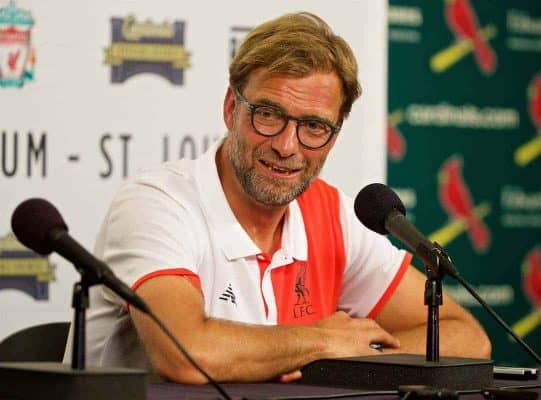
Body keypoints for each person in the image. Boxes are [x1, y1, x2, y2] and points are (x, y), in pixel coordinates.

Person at [65, 11, 490, 384]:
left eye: (314, 127)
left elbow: (464, 336)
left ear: (334, 135)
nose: (288, 146)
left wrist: (352, 356)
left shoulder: (332, 213)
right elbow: (187, 353)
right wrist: (321, 341)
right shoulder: (158, 203)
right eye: (268, 115)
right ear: (232, 108)